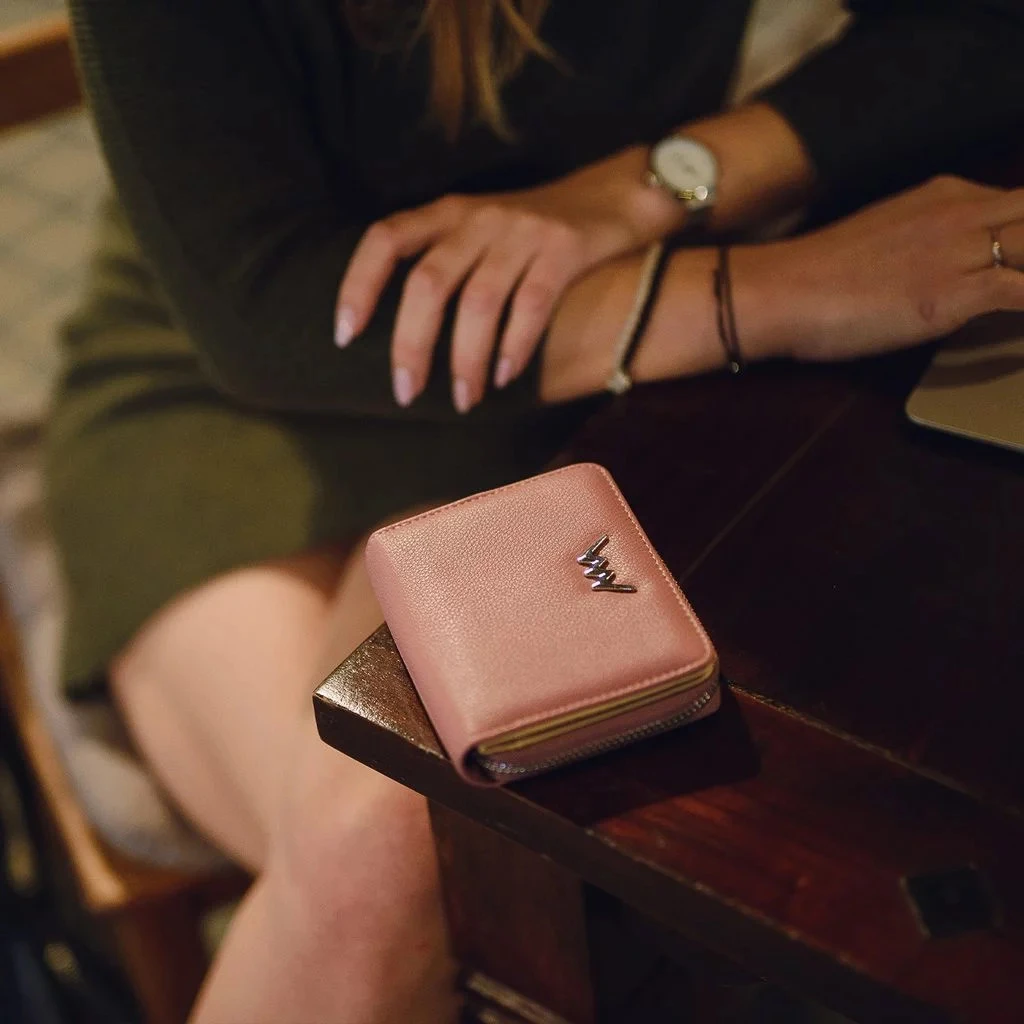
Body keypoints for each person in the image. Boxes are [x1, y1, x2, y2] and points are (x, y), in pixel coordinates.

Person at [48, 1, 1024, 1020]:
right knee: (403, 845)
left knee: (446, 866)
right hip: (231, 398)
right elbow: (265, 313)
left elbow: (978, 26)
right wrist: (772, 292)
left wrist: (655, 183)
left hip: (569, 361)